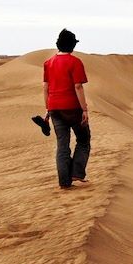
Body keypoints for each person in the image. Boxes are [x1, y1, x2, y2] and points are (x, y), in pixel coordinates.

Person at [43, 29, 91, 189]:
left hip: (54, 108)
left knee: (62, 145)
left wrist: (48, 109)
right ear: (71, 45)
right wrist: (84, 109)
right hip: (73, 108)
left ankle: (64, 182)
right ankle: (77, 172)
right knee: (83, 140)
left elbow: (45, 87)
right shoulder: (75, 62)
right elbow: (78, 86)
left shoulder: (48, 63)